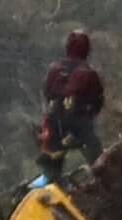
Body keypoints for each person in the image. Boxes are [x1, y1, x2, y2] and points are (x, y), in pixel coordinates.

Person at [36, 29, 105, 183]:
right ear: (87, 50)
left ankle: (42, 190)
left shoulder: (54, 69)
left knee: (51, 169)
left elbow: (46, 93)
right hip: (80, 124)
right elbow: (98, 100)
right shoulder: (89, 73)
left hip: (54, 122)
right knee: (99, 162)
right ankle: (105, 187)